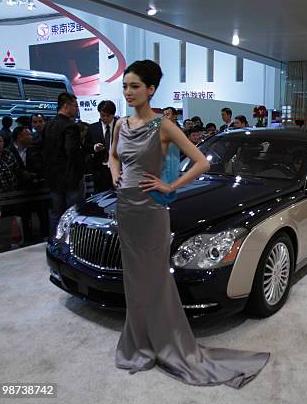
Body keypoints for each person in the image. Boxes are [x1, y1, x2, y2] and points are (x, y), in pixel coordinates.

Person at [110, 59, 269, 387]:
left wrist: (170, 186)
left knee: (154, 281)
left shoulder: (163, 126)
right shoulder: (119, 125)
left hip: (151, 211)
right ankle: (139, 343)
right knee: (134, 280)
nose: (128, 91)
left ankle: (165, 343)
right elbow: (113, 156)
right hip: (126, 209)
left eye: (135, 86)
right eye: (125, 85)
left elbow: (200, 161)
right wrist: (116, 175)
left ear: (151, 89)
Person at [42, 92, 84, 236]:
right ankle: (70, 242)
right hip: (70, 178)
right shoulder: (70, 126)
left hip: (53, 178)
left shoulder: (48, 125)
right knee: (72, 213)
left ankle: (54, 241)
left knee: (55, 213)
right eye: (75, 106)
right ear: (66, 106)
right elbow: (71, 152)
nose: (77, 109)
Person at [86, 100, 117, 193]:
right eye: (102, 115)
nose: (105, 118)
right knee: (100, 198)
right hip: (99, 169)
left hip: (117, 169)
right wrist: (94, 148)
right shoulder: (93, 128)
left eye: (108, 116)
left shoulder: (121, 127)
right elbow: (86, 147)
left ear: (113, 114)